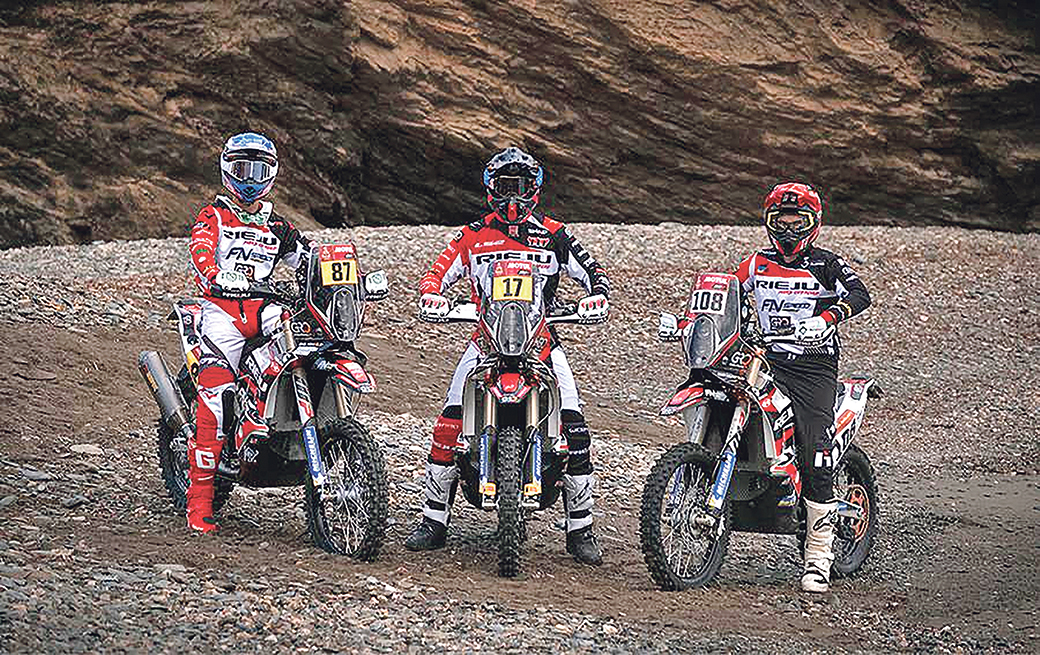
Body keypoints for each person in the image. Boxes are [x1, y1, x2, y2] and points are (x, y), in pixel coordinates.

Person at [404, 146, 611, 565]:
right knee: (448, 424)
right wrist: (432, 295)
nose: (512, 196)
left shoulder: (555, 234)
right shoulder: (472, 235)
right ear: (490, 189)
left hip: (542, 343)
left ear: (535, 188)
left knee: (576, 429)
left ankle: (581, 528)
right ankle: (433, 520)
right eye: (504, 186)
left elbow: (594, 272)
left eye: (520, 186)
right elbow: (436, 273)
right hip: (485, 342)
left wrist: (597, 296)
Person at [734, 181, 871, 592]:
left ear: (814, 223)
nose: (789, 229)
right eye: (781, 221)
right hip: (768, 360)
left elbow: (861, 294)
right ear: (769, 222)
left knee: (816, 454)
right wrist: (692, 320)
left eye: (798, 222)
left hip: (814, 368)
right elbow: (726, 293)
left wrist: (827, 318)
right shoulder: (755, 263)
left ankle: (818, 558)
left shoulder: (827, 263)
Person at [186, 132, 314, 533]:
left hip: (265, 308)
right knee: (215, 398)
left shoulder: (278, 225)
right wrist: (213, 273)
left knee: (305, 347)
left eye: (259, 170)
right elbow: (200, 249)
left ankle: (269, 420)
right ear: (228, 170)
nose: (250, 178)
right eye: (242, 169)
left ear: (271, 173)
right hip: (221, 311)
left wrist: (344, 279)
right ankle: (199, 502)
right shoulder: (214, 216)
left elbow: (309, 259)